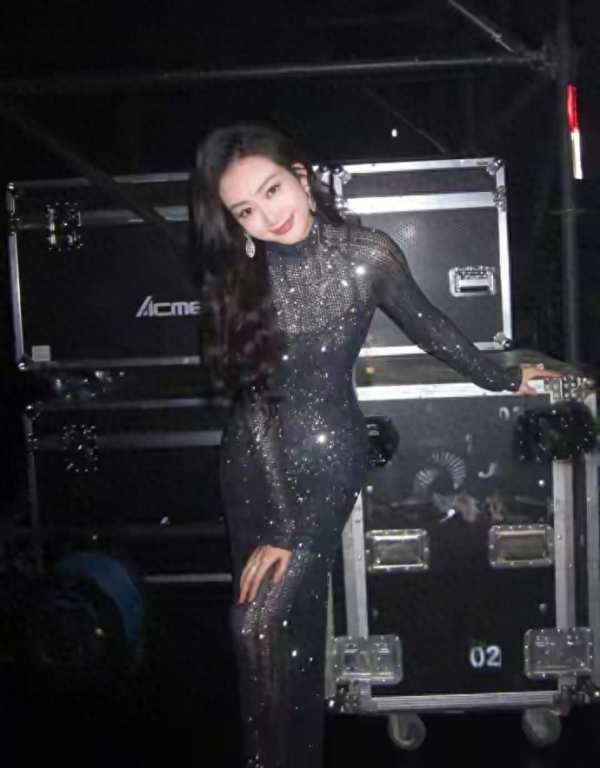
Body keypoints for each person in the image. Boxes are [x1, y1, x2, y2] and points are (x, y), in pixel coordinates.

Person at [190, 124, 560, 768]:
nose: (267, 216)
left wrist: (503, 377)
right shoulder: (243, 278)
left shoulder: (366, 255)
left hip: (325, 459)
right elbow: (255, 398)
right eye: (245, 210)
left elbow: (432, 327)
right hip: (249, 463)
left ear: (301, 178)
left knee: (255, 624)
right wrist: (273, 514)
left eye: (272, 190)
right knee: (280, 639)